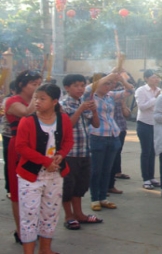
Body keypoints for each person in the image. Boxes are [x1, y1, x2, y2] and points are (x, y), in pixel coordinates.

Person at [15, 83, 74, 253]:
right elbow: (21, 147)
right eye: (35, 98)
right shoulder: (27, 121)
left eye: (42, 98)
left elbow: (68, 141)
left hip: (55, 174)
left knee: (50, 213)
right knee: (29, 215)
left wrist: (61, 155)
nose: (37, 102)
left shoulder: (62, 119)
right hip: (30, 175)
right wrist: (44, 161)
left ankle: (45, 249)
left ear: (55, 101)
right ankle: (29, 251)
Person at [83, 71, 134, 211]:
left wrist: (121, 79)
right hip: (97, 136)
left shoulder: (110, 96)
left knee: (107, 170)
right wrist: (108, 76)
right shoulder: (90, 95)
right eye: (105, 83)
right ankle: (94, 198)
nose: (108, 86)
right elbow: (89, 88)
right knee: (96, 170)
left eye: (110, 84)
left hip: (112, 135)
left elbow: (130, 90)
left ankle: (103, 197)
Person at [60, 74, 102, 230]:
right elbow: (67, 127)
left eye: (82, 86)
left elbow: (96, 125)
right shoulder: (63, 104)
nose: (80, 89)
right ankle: (68, 216)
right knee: (68, 186)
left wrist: (94, 111)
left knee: (81, 185)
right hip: (70, 153)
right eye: (76, 85)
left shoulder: (84, 103)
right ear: (67, 87)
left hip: (84, 151)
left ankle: (80, 214)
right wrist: (80, 109)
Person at [5, 70, 42, 244]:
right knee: (18, 191)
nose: (37, 87)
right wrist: (39, 97)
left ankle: (35, 227)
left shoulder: (40, 101)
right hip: (19, 147)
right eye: (33, 84)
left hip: (39, 147)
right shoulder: (12, 101)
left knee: (38, 189)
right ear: (22, 85)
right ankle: (21, 231)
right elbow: (28, 113)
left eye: (39, 84)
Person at [135, 69, 161, 190]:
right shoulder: (141, 90)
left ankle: (151, 176)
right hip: (144, 123)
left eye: (157, 77)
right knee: (146, 152)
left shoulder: (160, 91)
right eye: (153, 77)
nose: (156, 80)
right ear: (146, 78)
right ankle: (145, 178)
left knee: (153, 152)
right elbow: (142, 106)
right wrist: (155, 98)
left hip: (155, 124)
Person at [108, 80, 132, 194]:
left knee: (116, 155)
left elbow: (127, 114)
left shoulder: (117, 96)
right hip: (107, 131)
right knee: (107, 160)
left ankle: (110, 184)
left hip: (120, 128)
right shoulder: (107, 95)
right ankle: (103, 187)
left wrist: (123, 104)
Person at [1, 80, 16, 198]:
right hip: (8, 136)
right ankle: (9, 188)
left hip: (19, 137)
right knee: (9, 163)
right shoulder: (9, 101)